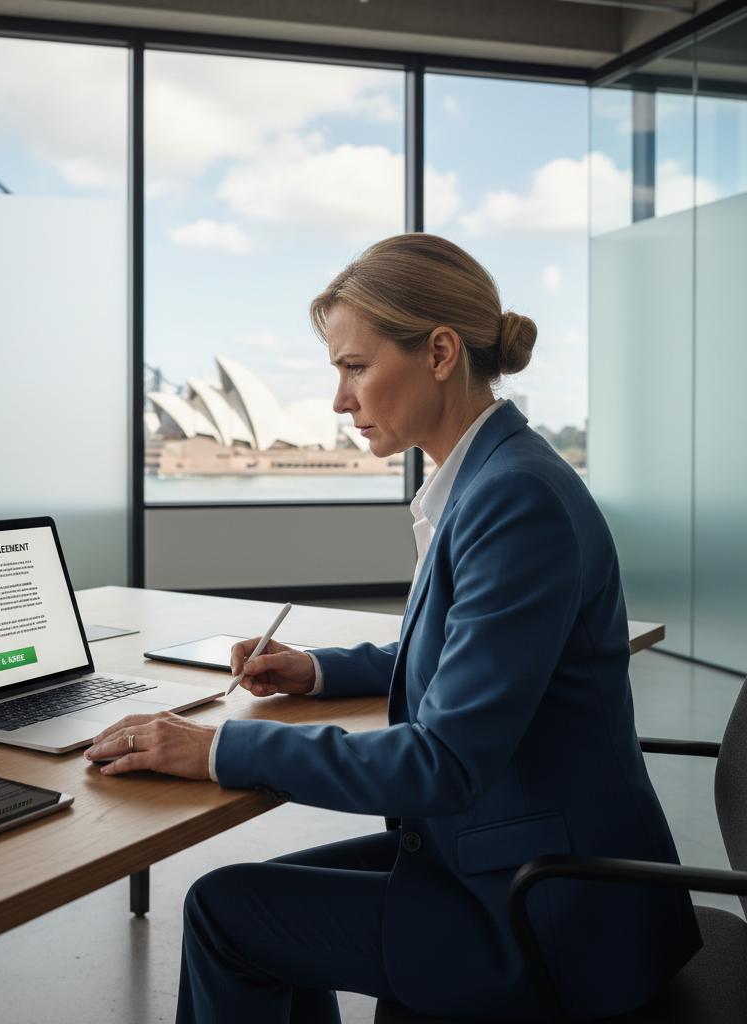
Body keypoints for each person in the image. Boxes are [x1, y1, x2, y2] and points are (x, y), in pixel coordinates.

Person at [84, 234, 701, 1022]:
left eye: (354, 367)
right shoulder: (489, 479)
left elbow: (443, 762)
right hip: (506, 852)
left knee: (226, 912)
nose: (341, 400)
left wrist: (213, 748)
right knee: (251, 903)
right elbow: (462, 652)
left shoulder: (516, 502)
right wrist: (319, 670)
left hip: (546, 906)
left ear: (440, 351)